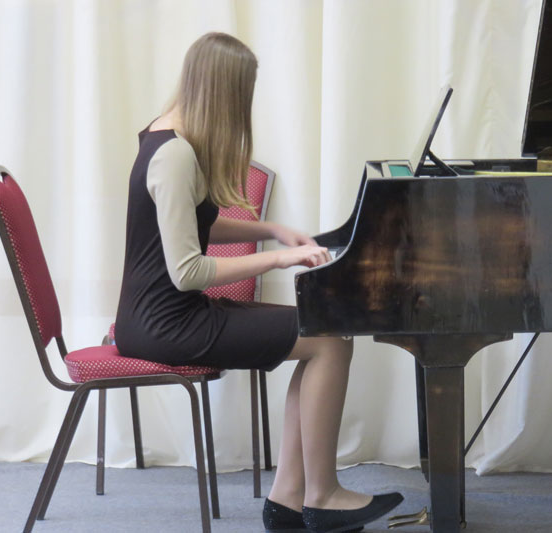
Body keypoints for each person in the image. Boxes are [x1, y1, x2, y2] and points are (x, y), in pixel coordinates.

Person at [114, 32, 403, 532]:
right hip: (165, 324)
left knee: (323, 336)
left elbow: (194, 226)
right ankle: (320, 495)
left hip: (161, 316)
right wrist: (277, 259)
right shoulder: (174, 156)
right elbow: (188, 271)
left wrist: (270, 230)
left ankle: (289, 499)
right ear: (227, 92)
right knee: (329, 342)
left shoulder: (164, 134)